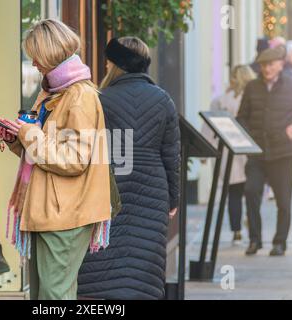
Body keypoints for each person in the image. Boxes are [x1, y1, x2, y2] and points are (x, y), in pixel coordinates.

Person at [0, 19, 111, 300]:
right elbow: (45, 150)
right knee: (46, 294)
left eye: (36, 56)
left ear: (49, 53)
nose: (33, 63)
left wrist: (28, 133)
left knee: (54, 295)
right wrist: (15, 139)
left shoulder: (79, 96)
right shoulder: (53, 91)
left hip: (65, 213)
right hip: (52, 210)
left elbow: (74, 159)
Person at [77, 37, 181, 300]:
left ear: (112, 64)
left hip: (109, 188)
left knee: (105, 261)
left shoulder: (99, 100)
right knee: (143, 263)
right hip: (152, 190)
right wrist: (173, 199)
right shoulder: (163, 100)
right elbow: (171, 155)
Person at [237, 45, 292, 256]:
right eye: (263, 65)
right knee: (250, 192)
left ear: (281, 64)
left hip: (283, 152)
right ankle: (255, 240)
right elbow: (241, 117)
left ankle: (280, 242)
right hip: (257, 152)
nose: (266, 68)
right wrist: (248, 137)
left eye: (270, 64)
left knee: (283, 200)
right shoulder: (252, 87)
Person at [202, 65, 256, 245]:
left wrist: (204, 151)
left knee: (233, 193)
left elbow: (210, 127)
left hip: (227, 151)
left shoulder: (220, 100)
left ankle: (236, 231)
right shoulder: (252, 99)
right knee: (251, 191)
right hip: (249, 150)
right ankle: (251, 220)